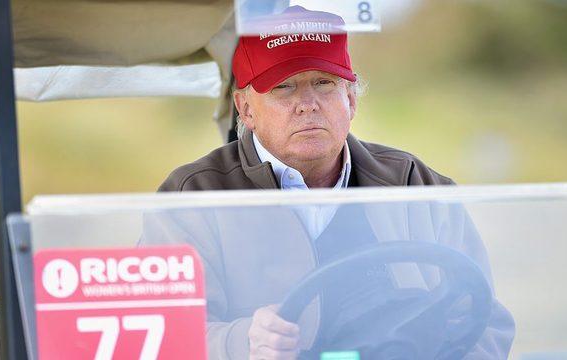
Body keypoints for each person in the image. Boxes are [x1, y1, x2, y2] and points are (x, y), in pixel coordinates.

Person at [144, 6, 515, 359]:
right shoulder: (193, 196)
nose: (307, 104)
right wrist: (241, 343)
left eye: (324, 83)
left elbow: (483, 321)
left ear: (350, 100)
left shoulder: (413, 182)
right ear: (245, 109)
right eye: (283, 87)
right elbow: (159, 332)